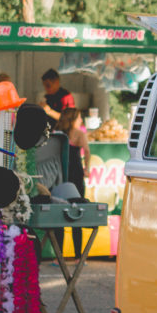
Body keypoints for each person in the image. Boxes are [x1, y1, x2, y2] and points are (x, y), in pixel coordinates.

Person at [56, 107, 91, 259]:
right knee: (78, 211)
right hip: (76, 175)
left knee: (58, 212)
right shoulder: (79, 134)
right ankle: (78, 255)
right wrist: (87, 168)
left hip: (61, 174)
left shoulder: (57, 133)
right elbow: (87, 151)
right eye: (79, 118)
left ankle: (59, 255)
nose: (81, 121)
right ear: (73, 119)